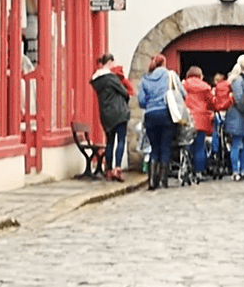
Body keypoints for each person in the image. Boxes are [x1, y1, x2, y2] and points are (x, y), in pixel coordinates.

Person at [137, 54, 181, 190]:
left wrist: (151, 104)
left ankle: (152, 180)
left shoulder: (145, 79)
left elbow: (141, 101)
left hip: (150, 115)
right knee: (165, 147)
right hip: (166, 114)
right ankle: (163, 180)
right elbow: (182, 94)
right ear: (164, 63)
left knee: (154, 148)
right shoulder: (171, 76)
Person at [90, 53, 133, 182]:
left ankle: (108, 169)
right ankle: (117, 168)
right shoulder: (111, 78)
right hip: (119, 112)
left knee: (110, 142)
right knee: (120, 141)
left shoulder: (97, 81)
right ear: (109, 63)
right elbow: (125, 92)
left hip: (105, 114)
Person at [182, 66, 214, 184]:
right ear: (200, 75)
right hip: (201, 120)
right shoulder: (205, 87)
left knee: (187, 147)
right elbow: (211, 104)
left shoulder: (183, 86)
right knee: (200, 147)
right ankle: (199, 172)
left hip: (187, 119)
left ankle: (187, 169)